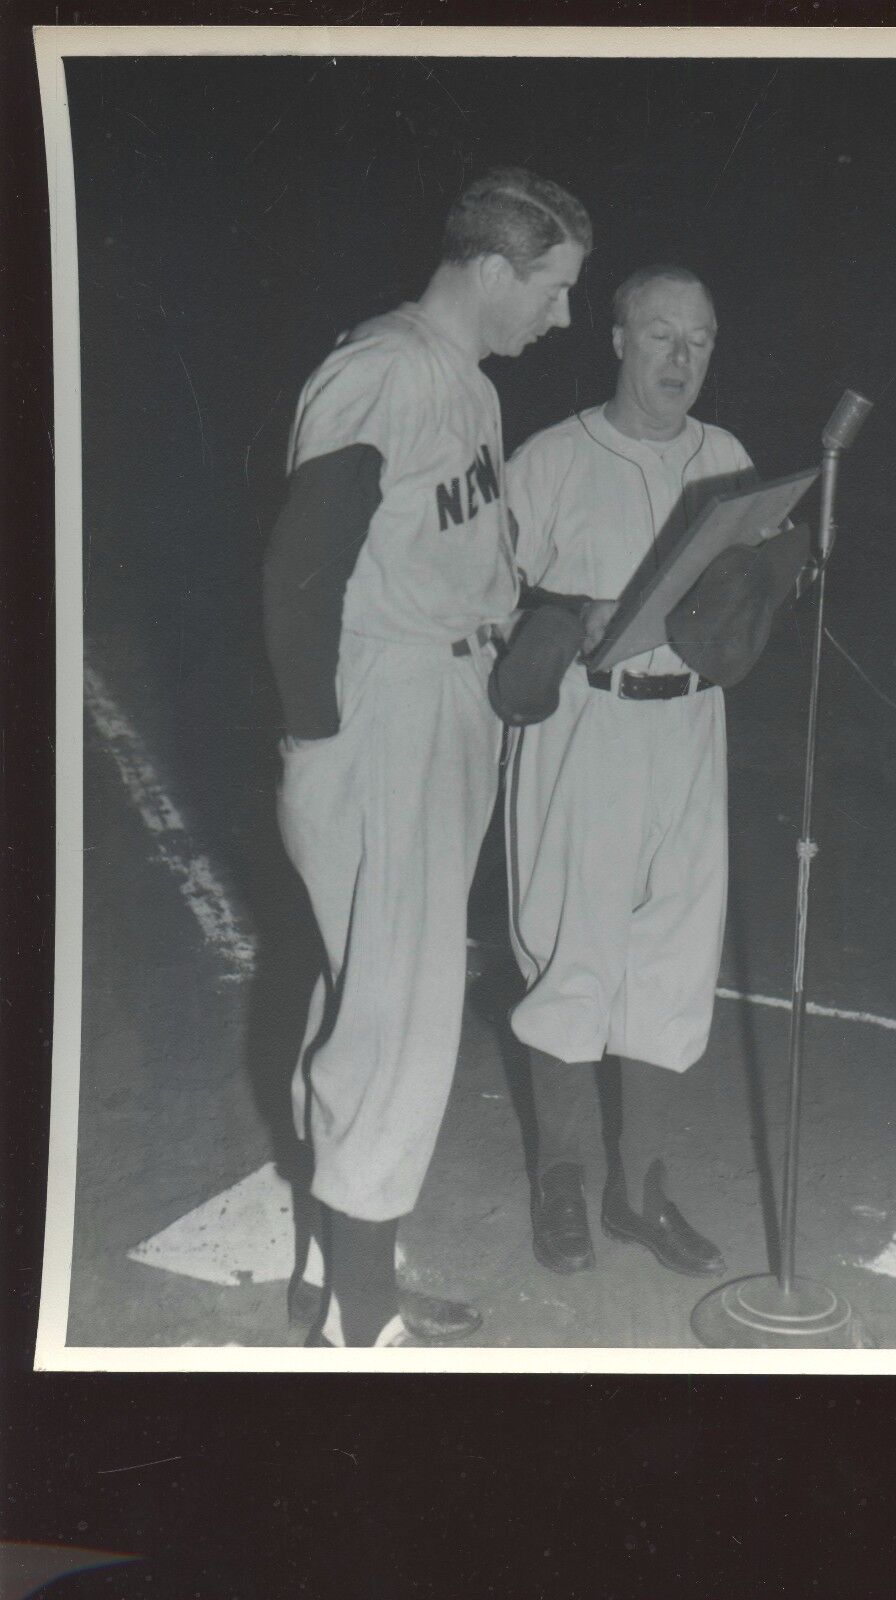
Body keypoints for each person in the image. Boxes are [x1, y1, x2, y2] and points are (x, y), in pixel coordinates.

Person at [263, 169, 591, 1346]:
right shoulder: (384, 369)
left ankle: (332, 1269)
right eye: (552, 290)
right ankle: (362, 1326)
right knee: (400, 1016)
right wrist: (317, 745)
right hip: (385, 708)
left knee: (368, 992)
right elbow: (302, 573)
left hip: (439, 698)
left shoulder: (465, 384)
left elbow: (449, 550)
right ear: (495, 269)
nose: (558, 319)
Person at [504, 265, 756, 1279]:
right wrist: (568, 616)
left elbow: (746, 593)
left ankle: (641, 1189)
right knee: (571, 955)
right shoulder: (551, 459)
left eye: (699, 340)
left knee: (674, 960)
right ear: (616, 339)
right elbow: (484, 598)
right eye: (660, 337)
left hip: (692, 729)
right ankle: (561, 1179)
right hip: (585, 732)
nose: (681, 360)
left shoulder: (728, 456)